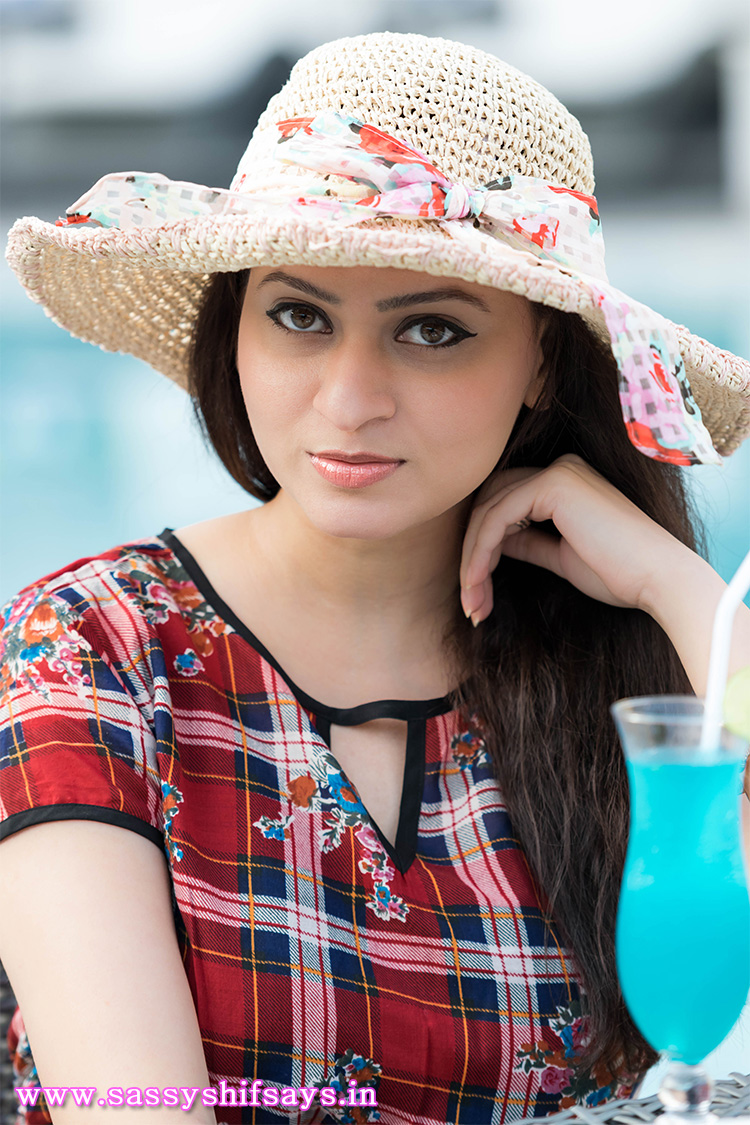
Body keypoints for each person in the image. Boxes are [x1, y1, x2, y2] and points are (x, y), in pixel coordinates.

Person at [1, 29, 749, 1125]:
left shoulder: (622, 670)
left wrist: (675, 586)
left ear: (544, 360)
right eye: (300, 316)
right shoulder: (93, 650)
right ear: (236, 326)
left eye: (433, 330)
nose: (350, 400)